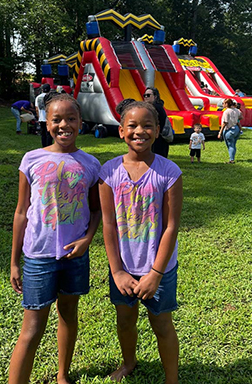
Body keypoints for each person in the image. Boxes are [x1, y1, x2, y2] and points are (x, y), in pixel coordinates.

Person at [7, 94, 101, 384]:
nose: (64, 125)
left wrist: (87, 239)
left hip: (75, 257)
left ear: (80, 123)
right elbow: (21, 211)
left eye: (71, 119)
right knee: (32, 327)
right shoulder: (31, 159)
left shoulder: (91, 164)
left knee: (69, 315)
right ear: (46, 123)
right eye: (57, 120)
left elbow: (96, 209)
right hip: (38, 256)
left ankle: (63, 376)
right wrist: (14, 262)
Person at [98, 101, 182, 384]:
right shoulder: (108, 172)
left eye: (148, 125)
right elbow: (108, 224)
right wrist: (117, 270)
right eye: (132, 125)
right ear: (121, 131)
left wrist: (156, 273)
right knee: (125, 320)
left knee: (161, 323)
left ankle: (172, 378)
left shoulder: (169, 172)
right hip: (123, 267)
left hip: (159, 268)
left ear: (158, 131)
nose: (140, 131)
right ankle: (129, 363)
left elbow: (171, 226)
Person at [141, 87, 171, 158]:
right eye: (144, 95)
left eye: (148, 95)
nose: (146, 97)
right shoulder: (157, 107)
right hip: (158, 140)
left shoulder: (155, 108)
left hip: (158, 140)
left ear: (155, 96)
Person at [217, 99, 242, 163]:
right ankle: (232, 157)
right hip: (236, 129)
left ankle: (231, 159)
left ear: (227, 104)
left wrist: (220, 132)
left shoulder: (226, 111)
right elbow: (241, 117)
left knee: (230, 145)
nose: (222, 104)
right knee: (233, 144)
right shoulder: (237, 110)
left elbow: (225, 123)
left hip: (229, 129)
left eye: (223, 103)